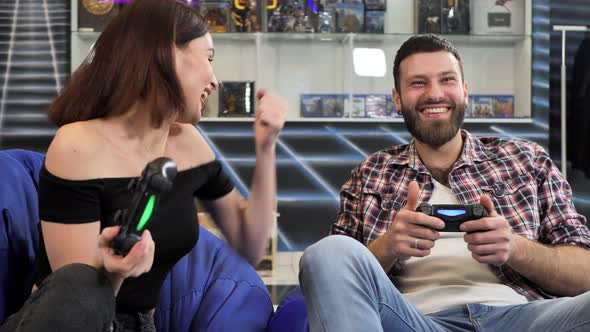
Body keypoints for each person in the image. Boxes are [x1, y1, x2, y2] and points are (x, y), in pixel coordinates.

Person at [0, 0, 287, 331]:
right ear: (165, 54)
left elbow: (250, 245)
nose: (215, 81)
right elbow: (77, 297)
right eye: (208, 59)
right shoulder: (77, 145)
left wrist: (266, 148)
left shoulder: (189, 143)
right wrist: (118, 270)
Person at [299, 34, 590, 332]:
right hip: (414, 321)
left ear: (465, 91)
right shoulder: (371, 172)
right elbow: (332, 274)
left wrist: (515, 248)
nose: (434, 93)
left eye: (447, 79)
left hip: (525, 319)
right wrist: (388, 247)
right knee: (326, 252)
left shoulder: (526, 159)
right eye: (417, 83)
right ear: (397, 98)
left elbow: (584, 275)